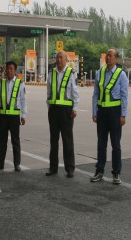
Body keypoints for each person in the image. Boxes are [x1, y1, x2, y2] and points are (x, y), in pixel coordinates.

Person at [90, 48, 128, 185]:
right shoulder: (99, 73)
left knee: (116, 144)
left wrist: (123, 114)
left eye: (110, 56)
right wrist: (94, 112)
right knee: (101, 144)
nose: (108, 58)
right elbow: (95, 94)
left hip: (114, 113)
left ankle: (116, 172)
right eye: (107, 55)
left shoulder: (121, 74)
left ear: (116, 59)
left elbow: (124, 96)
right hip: (102, 112)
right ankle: (99, 171)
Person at [46, 50, 80, 178]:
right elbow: (49, 92)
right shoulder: (51, 73)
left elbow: (75, 93)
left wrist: (75, 108)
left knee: (67, 140)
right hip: (54, 111)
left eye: (61, 57)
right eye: (57, 57)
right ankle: (53, 168)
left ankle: (70, 168)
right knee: (53, 140)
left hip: (66, 111)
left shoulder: (71, 73)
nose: (59, 60)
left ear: (66, 59)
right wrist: (49, 107)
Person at [0, 61, 27, 172]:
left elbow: (23, 100)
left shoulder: (20, 83)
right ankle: (0, 164)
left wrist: (23, 115)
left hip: (14, 117)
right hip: (3, 117)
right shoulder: (1, 83)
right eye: (7, 69)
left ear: (15, 71)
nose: (8, 71)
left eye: (11, 69)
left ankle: (17, 164)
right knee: (2, 141)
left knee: (15, 141)